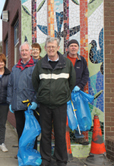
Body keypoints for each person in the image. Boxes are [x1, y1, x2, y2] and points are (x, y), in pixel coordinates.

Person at [32, 37, 76, 166]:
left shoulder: (66, 63)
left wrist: (64, 95)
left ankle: (61, 160)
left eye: (53, 46)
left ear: (58, 48)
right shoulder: (40, 64)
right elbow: (35, 83)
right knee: (45, 134)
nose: (51, 49)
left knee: (60, 133)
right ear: (45, 48)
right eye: (48, 46)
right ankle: (45, 159)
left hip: (60, 105)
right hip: (44, 104)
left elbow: (72, 83)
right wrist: (42, 94)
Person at [7, 42, 37, 158]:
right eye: (22, 50)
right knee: (20, 130)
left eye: (26, 50)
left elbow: (38, 86)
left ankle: (32, 153)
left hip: (30, 106)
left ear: (30, 52)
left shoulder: (35, 67)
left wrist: (35, 101)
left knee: (31, 131)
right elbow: (10, 85)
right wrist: (10, 101)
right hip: (18, 105)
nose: (24, 52)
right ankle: (21, 152)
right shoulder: (15, 68)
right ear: (20, 52)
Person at [64, 39, 89, 145]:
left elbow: (85, 75)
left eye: (75, 46)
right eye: (71, 46)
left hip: (77, 93)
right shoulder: (63, 59)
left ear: (78, 48)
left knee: (78, 113)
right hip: (64, 92)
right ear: (67, 48)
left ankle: (79, 136)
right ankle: (64, 136)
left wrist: (79, 86)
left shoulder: (82, 60)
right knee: (64, 114)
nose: (73, 47)